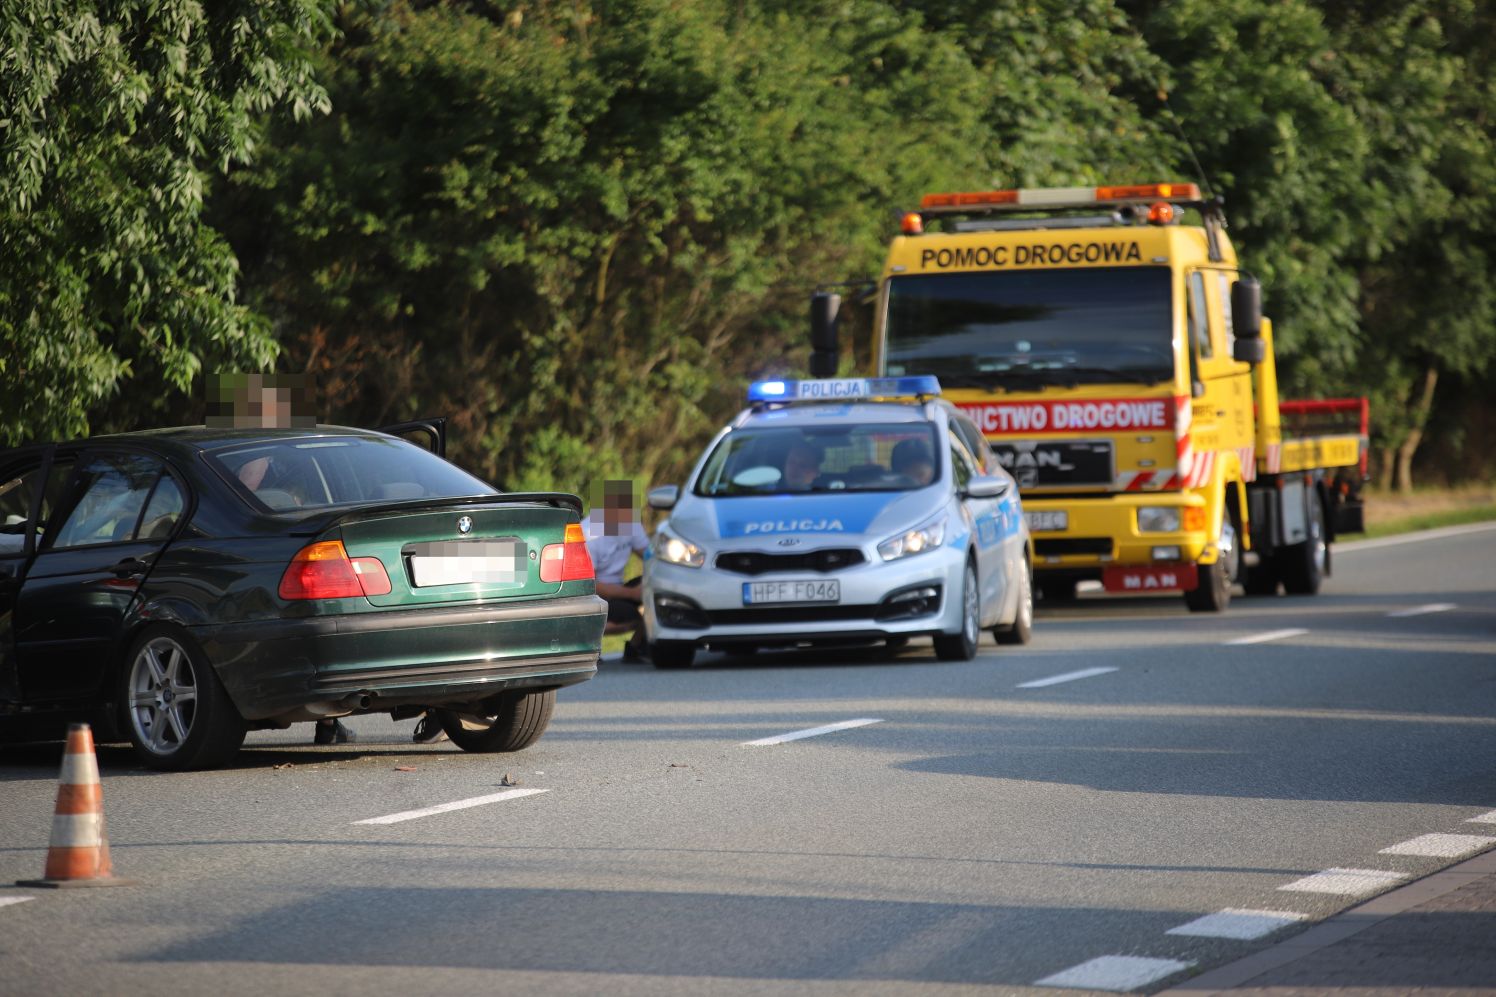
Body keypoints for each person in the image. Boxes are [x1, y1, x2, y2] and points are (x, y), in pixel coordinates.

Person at [583, 479, 651, 662]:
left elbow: (650, 556)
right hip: (592, 595)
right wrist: (632, 593)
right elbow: (589, 585)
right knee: (630, 614)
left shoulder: (631, 524)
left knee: (657, 590)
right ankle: (586, 641)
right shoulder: (589, 535)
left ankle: (636, 647)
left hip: (620, 589)